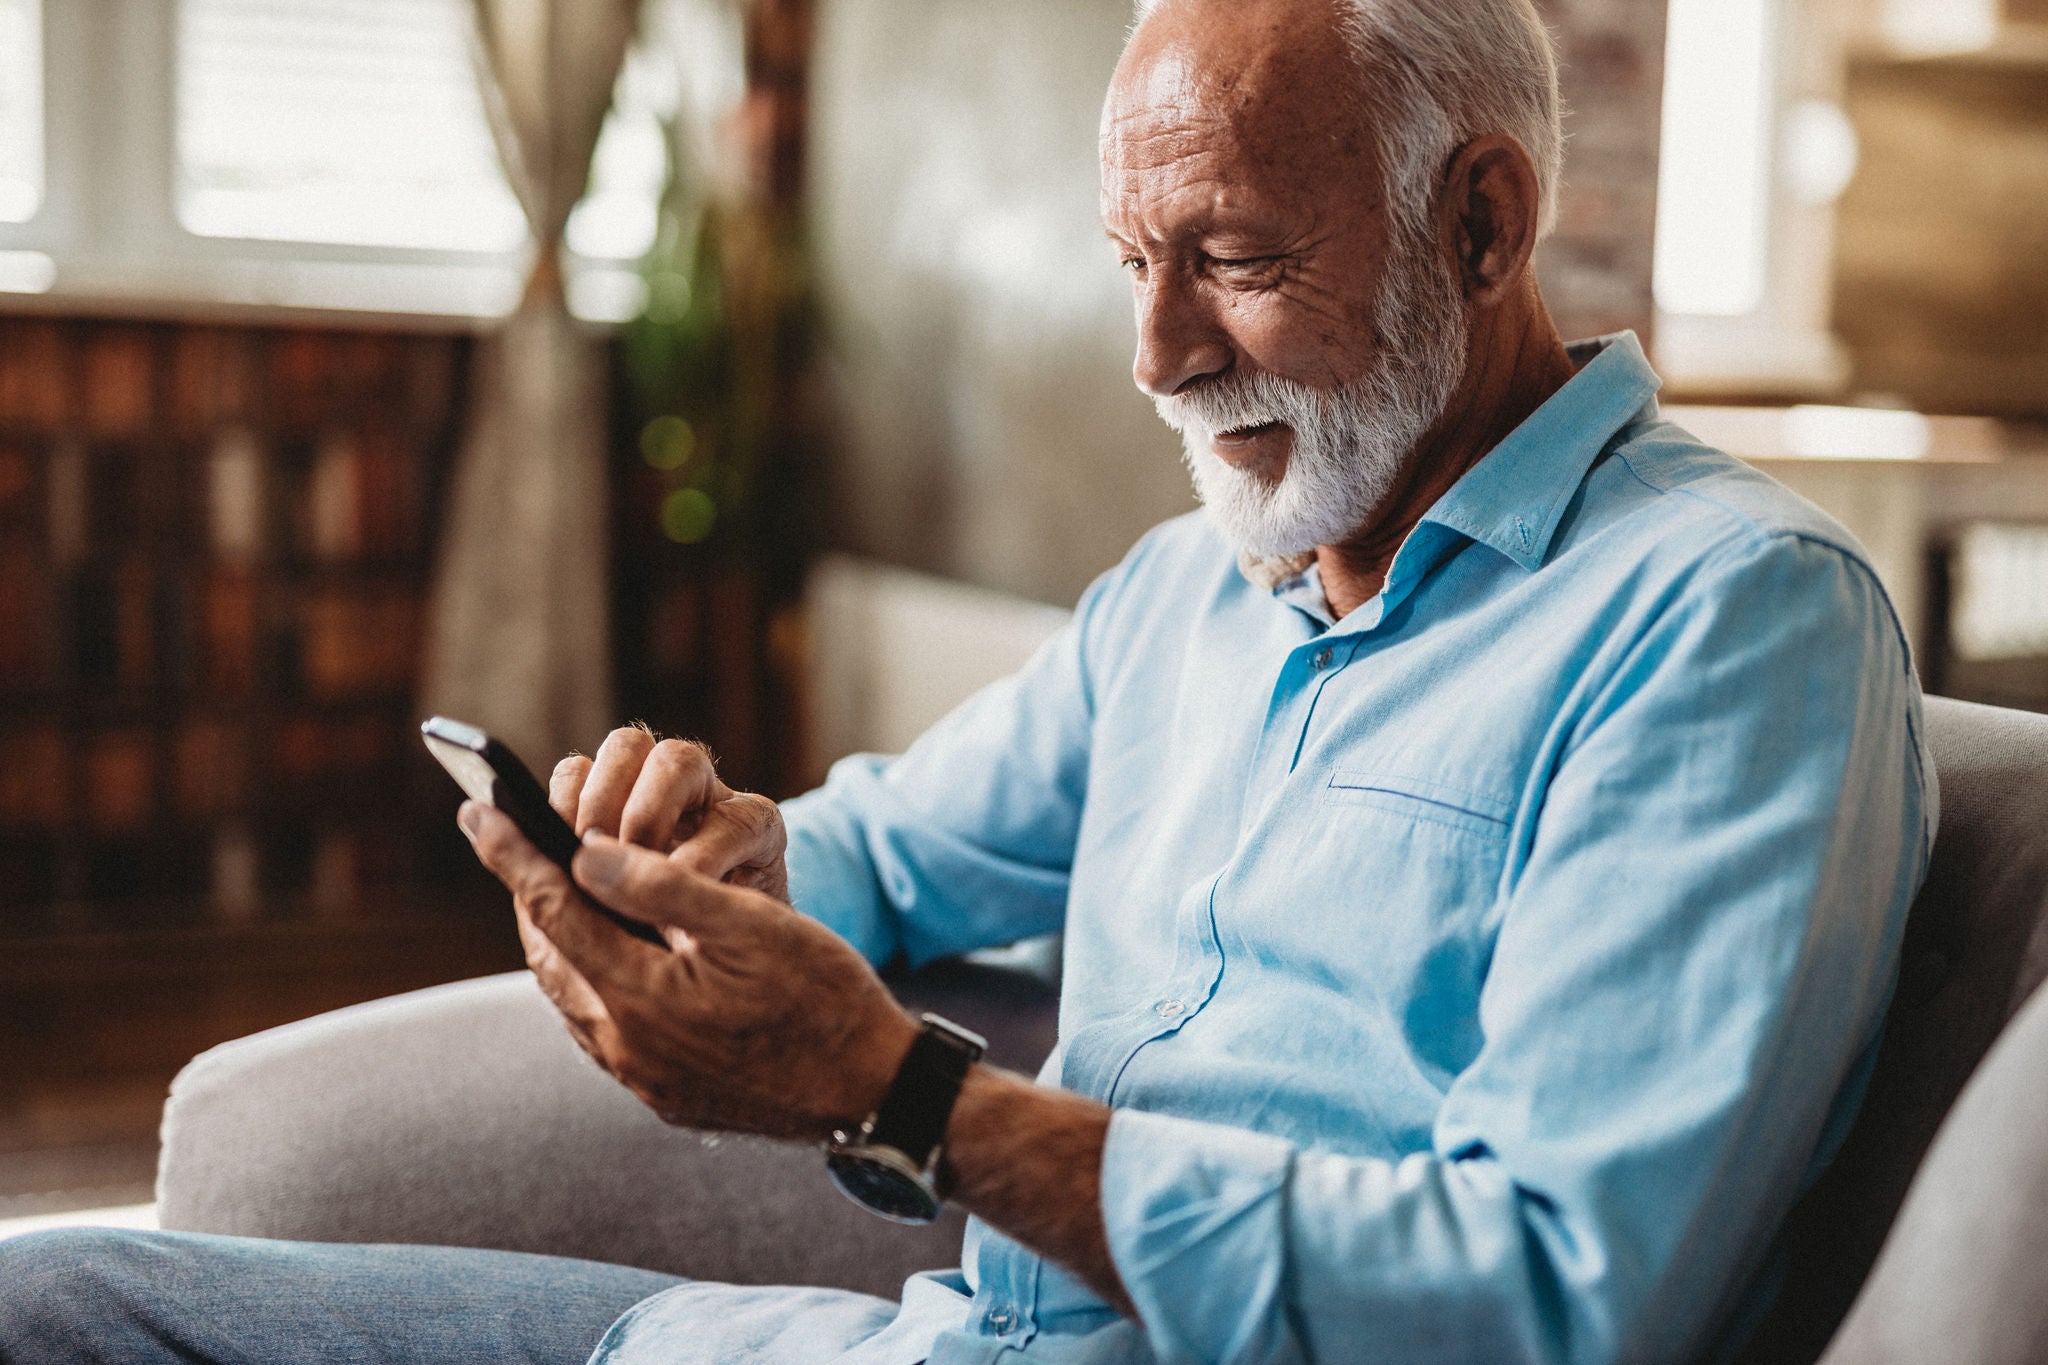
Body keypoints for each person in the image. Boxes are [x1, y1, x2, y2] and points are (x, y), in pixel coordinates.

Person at [0, 0, 1934, 1361]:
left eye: (1237, 258)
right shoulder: (1191, 592)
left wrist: (900, 1090)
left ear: (1486, 224)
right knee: (54, 1303)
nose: (1160, 356)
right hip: (885, 1345)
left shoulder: (1728, 621)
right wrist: (710, 866)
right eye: (1130, 260)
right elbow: (884, 855)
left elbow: (1550, 1299)